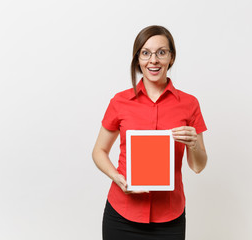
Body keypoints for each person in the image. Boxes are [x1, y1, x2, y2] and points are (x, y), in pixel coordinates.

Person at [92, 25, 207, 240]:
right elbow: (99, 151)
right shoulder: (120, 101)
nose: (153, 60)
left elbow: (198, 166)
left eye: (161, 52)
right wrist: (117, 178)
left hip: (169, 217)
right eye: (146, 53)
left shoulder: (189, 104)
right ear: (138, 60)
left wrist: (194, 144)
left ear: (171, 58)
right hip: (121, 213)